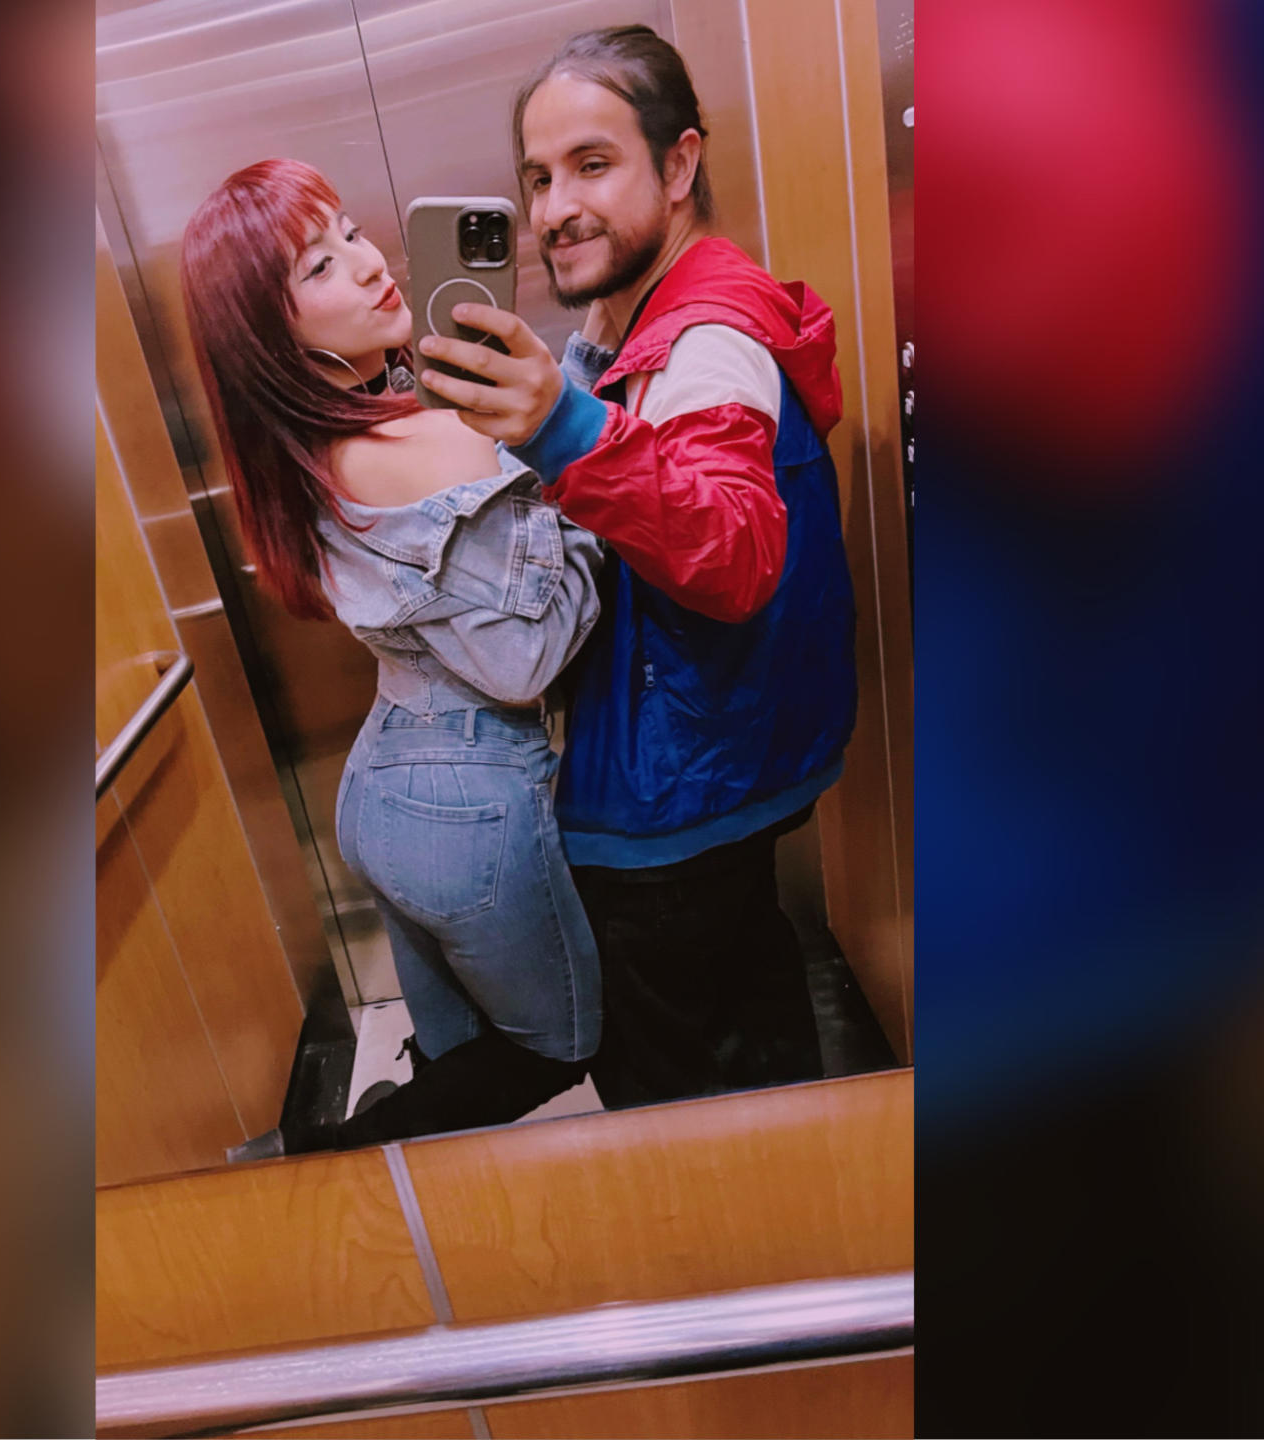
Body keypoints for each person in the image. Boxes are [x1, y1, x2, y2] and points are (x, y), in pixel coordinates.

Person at [413, 26, 857, 1107]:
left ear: (679, 163)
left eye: (593, 164)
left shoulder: (704, 346)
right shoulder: (654, 316)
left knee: (673, 1104)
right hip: (722, 763)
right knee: (753, 1018)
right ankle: (811, 1179)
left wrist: (562, 428)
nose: (555, 207)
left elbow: (736, 551)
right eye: (538, 177)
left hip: (671, 799)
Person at [178, 159, 604, 1153]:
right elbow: (526, 662)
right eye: (318, 266)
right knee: (555, 1046)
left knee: (457, 1049)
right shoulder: (424, 445)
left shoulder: (317, 445)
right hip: (463, 803)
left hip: (387, 793)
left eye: (351, 232)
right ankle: (315, 1165)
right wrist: (586, 487)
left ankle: (417, 1198)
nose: (370, 264)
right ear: (270, 336)